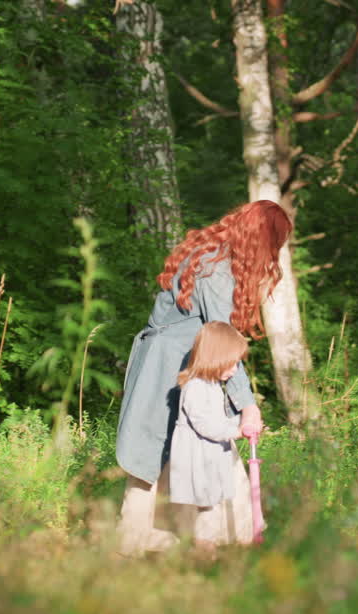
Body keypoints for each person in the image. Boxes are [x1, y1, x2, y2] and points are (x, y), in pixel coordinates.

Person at [115, 199, 291, 556]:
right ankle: (136, 541)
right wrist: (247, 405)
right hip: (169, 366)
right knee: (155, 450)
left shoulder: (208, 254)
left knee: (192, 447)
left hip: (186, 362)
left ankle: (201, 535)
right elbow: (221, 341)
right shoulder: (215, 268)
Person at [169, 322, 253, 554]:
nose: (236, 370)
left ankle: (211, 547)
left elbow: (218, 419)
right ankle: (205, 554)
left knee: (212, 506)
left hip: (210, 456)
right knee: (205, 508)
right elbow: (206, 424)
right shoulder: (195, 387)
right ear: (214, 358)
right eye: (232, 363)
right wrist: (235, 431)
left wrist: (240, 424)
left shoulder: (212, 384)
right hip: (199, 459)